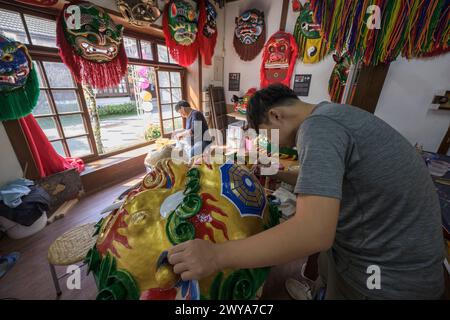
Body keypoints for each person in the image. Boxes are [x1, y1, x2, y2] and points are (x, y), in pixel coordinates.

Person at [167, 83, 445, 300]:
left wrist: (216, 256)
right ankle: (320, 290)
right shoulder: (333, 113)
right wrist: (276, 172)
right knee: (328, 263)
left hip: (385, 279)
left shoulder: (318, 128)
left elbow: (313, 232)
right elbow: (337, 179)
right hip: (392, 252)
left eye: (266, 133)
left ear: (276, 115)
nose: (271, 142)